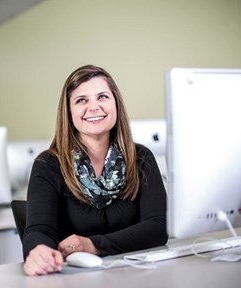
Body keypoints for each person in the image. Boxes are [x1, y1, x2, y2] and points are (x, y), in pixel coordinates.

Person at [22, 64, 168, 276]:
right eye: (81, 100)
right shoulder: (48, 165)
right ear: (69, 111)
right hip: (73, 278)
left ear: (116, 104)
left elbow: (159, 226)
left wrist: (93, 245)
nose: (94, 107)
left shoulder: (141, 158)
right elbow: (39, 230)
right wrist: (38, 252)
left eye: (102, 97)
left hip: (135, 274)